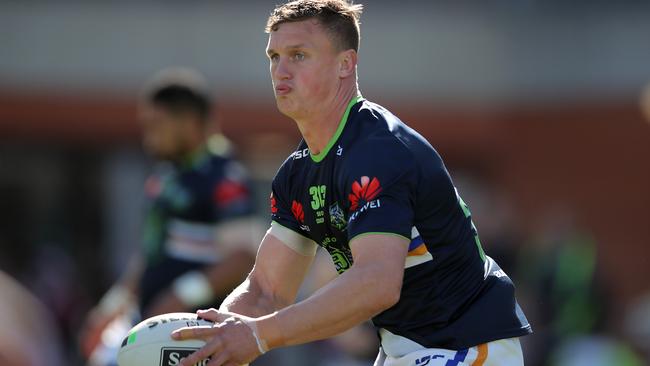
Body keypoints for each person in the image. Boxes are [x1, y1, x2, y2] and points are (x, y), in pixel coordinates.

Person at [172, 1, 532, 365]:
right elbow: (266, 290)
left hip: (465, 345)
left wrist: (256, 335)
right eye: (274, 56)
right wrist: (211, 338)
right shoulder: (295, 175)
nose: (280, 70)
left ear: (346, 64)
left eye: (298, 55)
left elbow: (376, 283)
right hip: (402, 350)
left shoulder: (378, 151)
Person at [80, 67, 261, 365]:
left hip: (190, 334)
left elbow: (241, 257)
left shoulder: (225, 178)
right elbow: (152, 252)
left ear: (189, 123)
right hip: (149, 320)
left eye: (156, 124)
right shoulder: (166, 177)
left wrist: (179, 296)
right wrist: (112, 306)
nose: (148, 136)